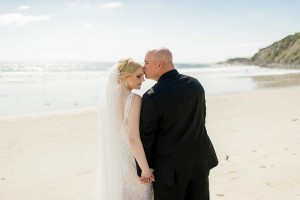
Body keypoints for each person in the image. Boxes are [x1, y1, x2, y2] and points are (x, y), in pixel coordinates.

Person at [136, 48, 219, 200]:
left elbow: (146, 137)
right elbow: (201, 120)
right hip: (199, 163)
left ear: (159, 64)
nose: (143, 67)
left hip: (169, 172)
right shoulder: (195, 85)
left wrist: (143, 169)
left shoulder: (152, 96)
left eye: (147, 62)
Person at [96, 58, 154, 199]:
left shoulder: (105, 100)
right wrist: (145, 170)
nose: (143, 80)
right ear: (125, 77)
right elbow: (133, 138)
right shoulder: (134, 99)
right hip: (131, 161)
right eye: (138, 76)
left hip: (113, 161)